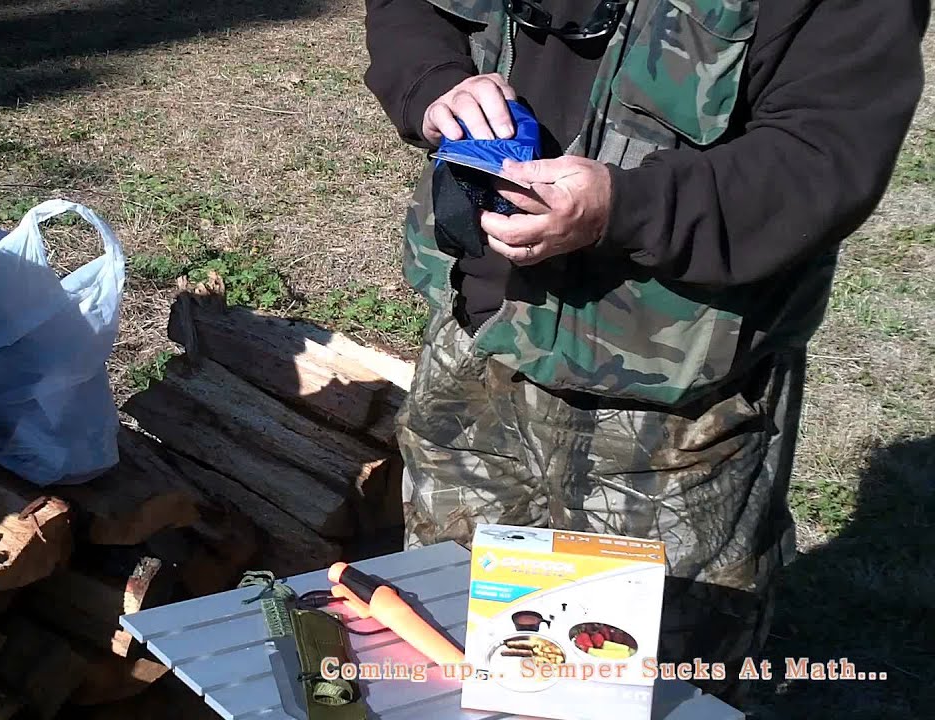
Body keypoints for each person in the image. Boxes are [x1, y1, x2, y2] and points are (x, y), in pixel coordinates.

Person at [363, 0, 927, 707]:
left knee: (656, 688)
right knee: (449, 659)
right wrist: (432, 81)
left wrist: (622, 208)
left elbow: (825, 156)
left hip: (675, 405)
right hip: (476, 343)